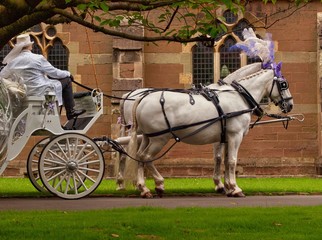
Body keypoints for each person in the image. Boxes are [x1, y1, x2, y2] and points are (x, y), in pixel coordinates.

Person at [0, 33, 85, 120]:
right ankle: (70, 111)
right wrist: (68, 74)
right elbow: (54, 73)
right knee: (66, 80)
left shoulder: (13, 62)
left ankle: (55, 117)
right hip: (42, 91)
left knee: (54, 82)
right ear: (29, 46)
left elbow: (1, 76)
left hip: (25, 93)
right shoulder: (38, 58)